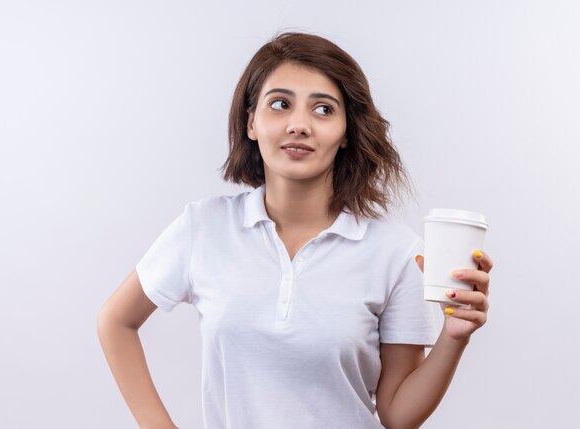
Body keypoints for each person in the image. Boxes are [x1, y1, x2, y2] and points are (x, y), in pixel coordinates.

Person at [97, 31, 493, 429]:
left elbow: (396, 415)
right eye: (280, 104)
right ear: (251, 122)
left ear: (345, 133)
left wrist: (453, 338)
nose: (300, 125)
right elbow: (115, 322)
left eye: (323, 109)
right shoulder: (204, 227)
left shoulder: (396, 252)